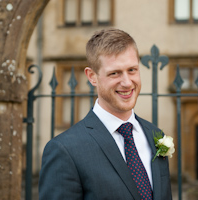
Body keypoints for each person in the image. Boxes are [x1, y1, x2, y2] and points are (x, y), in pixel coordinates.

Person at [39, 28, 172, 200]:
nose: (126, 82)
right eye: (114, 73)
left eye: (132, 70)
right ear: (92, 76)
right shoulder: (64, 150)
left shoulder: (155, 135)